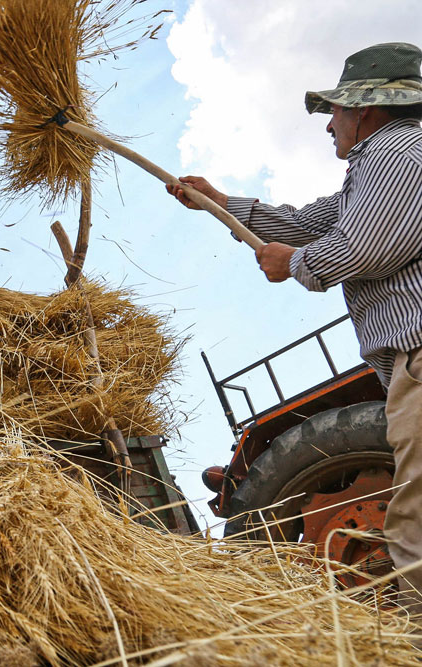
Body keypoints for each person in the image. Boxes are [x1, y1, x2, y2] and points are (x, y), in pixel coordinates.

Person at [168, 42, 422, 613]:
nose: (328, 124)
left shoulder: (394, 152)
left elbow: (365, 247)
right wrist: (219, 203)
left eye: (335, 111)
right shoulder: (376, 169)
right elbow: (304, 223)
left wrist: (296, 266)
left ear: (367, 110)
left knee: (414, 526)